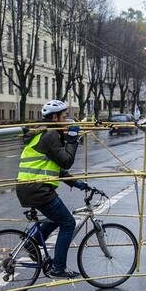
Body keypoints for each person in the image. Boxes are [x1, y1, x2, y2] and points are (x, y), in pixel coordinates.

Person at [15, 99, 92, 278]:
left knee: (58, 217)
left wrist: (76, 183)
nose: (67, 120)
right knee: (68, 223)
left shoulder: (43, 133)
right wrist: (73, 140)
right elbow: (66, 160)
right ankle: (58, 268)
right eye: (65, 117)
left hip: (29, 187)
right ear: (55, 117)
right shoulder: (50, 135)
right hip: (38, 189)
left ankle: (32, 241)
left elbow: (55, 167)